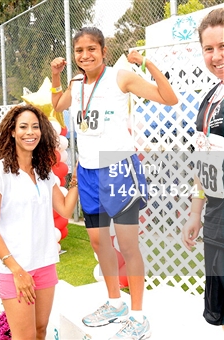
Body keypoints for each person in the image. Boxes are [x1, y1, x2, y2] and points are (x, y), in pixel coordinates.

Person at [50, 27, 178, 340]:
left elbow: (169, 98)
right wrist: (55, 79)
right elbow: (59, 106)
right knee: (98, 242)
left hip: (119, 168)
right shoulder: (77, 82)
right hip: (89, 173)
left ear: (104, 51)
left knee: (128, 245)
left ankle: (137, 316)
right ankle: (114, 302)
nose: (85, 56)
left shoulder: (121, 77)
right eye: (79, 50)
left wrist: (145, 63)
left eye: (91, 49)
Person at [0, 104, 78, 340]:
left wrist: (76, 182)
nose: (30, 132)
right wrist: (16, 270)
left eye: (35, 127)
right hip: (15, 268)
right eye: (23, 127)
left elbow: (65, 210)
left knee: (40, 331)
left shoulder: (44, 172)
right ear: (12, 132)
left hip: (44, 263)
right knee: (23, 337)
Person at [181, 8, 224, 330]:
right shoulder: (209, 99)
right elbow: (205, 164)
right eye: (209, 48)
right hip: (216, 220)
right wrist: (196, 212)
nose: (216, 56)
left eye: (223, 46)